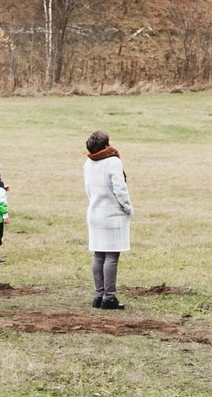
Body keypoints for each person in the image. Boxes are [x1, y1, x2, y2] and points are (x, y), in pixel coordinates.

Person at [85, 130, 132, 309]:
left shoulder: (88, 163)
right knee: (111, 256)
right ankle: (109, 297)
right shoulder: (113, 161)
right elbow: (120, 188)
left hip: (94, 211)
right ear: (105, 145)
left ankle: (98, 295)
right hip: (112, 213)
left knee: (99, 255)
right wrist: (127, 207)